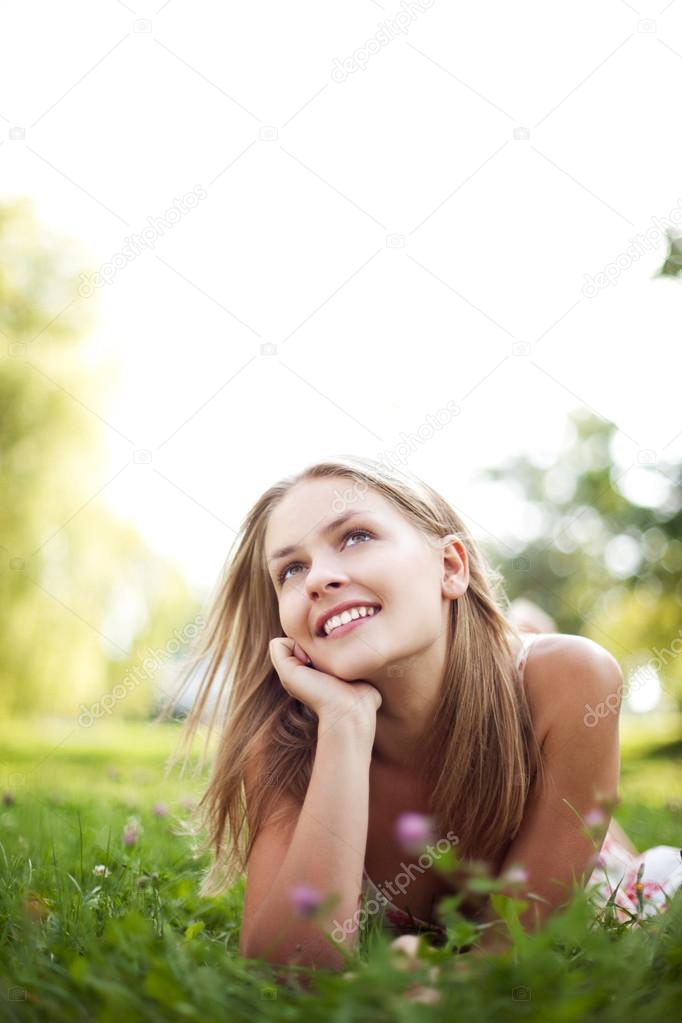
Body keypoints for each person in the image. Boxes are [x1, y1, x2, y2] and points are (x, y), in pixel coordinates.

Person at [162, 455, 682, 971]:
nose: (318, 577)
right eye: (291, 569)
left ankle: (520, 630)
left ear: (451, 566)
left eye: (355, 536)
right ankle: (514, 625)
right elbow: (291, 965)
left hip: (597, 871)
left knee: (541, 683)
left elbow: (517, 949)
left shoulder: (576, 680)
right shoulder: (286, 739)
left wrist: (447, 984)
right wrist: (345, 725)